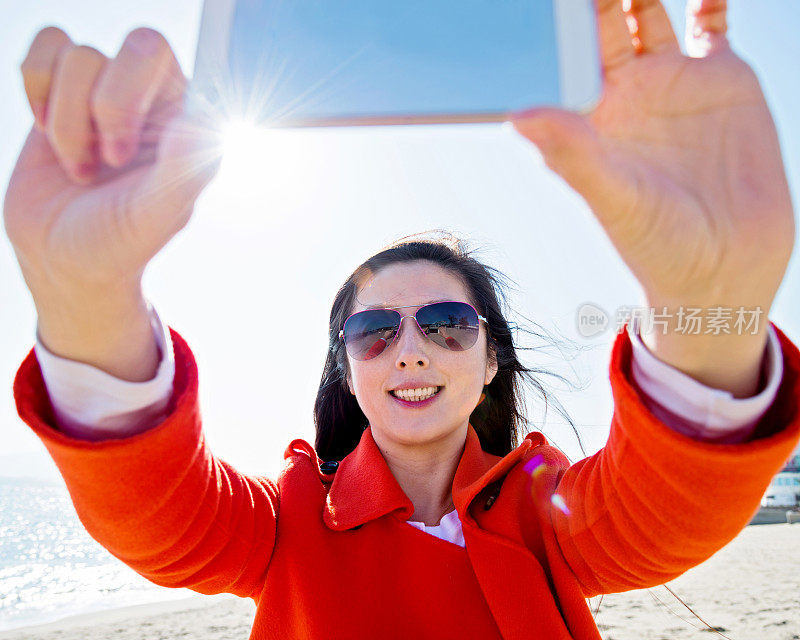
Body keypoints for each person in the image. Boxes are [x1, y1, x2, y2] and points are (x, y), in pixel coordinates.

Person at [5, 1, 800, 638]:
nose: (410, 351)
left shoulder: (546, 506)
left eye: (449, 323)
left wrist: (705, 292)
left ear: (491, 359)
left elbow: (669, 510)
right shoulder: (285, 521)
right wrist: (86, 297)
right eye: (373, 331)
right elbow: (158, 518)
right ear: (347, 367)